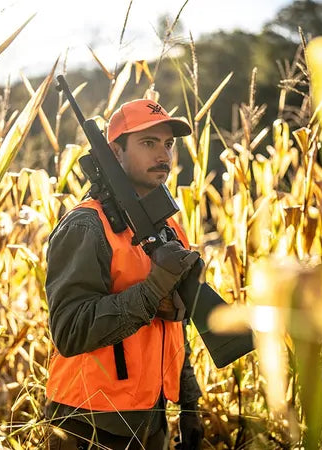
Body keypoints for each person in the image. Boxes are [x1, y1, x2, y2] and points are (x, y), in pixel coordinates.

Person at [44, 98, 205, 450]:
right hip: (88, 422)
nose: (163, 154)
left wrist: (189, 401)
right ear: (115, 152)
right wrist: (153, 288)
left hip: (152, 417)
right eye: (148, 143)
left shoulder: (171, 228)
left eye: (168, 144)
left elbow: (176, 325)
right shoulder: (87, 225)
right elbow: (70, 331)